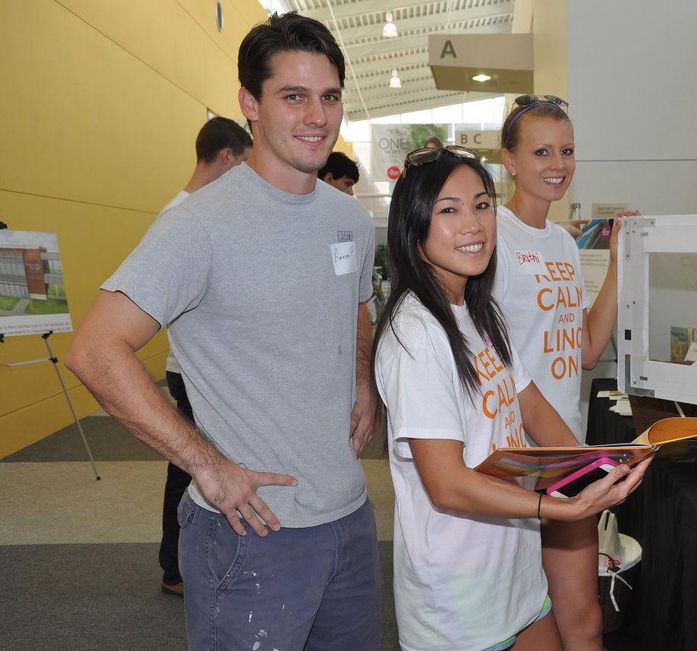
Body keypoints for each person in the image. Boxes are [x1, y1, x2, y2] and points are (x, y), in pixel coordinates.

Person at [66, 12, 381, 650]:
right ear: (249, 104)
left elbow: (355, 305)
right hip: (251, 531)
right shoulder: (200, 226)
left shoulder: (350, 219)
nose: (317, 116)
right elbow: (96, 350)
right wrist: (204, 465)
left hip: (350, 519)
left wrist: (362, 381)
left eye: (329, 96)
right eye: (293, 97)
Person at [372, 144, 650, 651]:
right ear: (414, 227)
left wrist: (597, 470)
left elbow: (534, 407)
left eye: (481, 205)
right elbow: (447, 484)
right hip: (459, 603)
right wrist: (561, 509)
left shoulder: (478, 312)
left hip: (515, 574)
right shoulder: (416, 333)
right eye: (448, 210)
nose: (473, 224)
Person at [494, 94, 636, 650]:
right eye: (542, 151)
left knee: (584, 619)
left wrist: (622, 258)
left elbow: (584, 349)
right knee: (520, 624)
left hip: (567, 453)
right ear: (510, 160)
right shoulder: (491, 238)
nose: (558, 164)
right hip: (513, 459)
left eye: (567, 150)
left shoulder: (563, 244)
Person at [156, 116, 252, 597]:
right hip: (192, 371)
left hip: (207, 369)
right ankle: (177, 568)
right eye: (244, 163)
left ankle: (181, 565)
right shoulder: (183, 216)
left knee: (203, 468)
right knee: (193, 469)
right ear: (226, 157)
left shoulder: (208, 211)